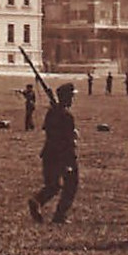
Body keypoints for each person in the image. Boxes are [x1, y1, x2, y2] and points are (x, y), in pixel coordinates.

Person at [30, 84, 80, 224]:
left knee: (53, 185)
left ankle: (36, 200)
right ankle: (60, 216)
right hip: (63, 155)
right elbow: (67, 140)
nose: (72, 99)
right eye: (71, 96)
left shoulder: (52, 112)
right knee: (71, 184)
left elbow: (48, 130)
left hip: (49, 153)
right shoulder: (66, 115)